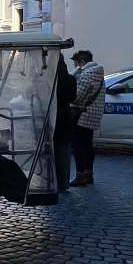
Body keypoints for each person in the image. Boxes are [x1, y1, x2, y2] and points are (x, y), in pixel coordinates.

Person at [69, 50, 105, 187]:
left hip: (82, 114)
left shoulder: (87, 74)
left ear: (82, 62)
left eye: (75, 63)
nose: (74, 66)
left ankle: (80, 175)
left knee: (78, 146)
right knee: (88, 146)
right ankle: (89, 175)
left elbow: (77, 97)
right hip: (93, 114)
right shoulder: (98, 73)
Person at [53, 56, 77, 194]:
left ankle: (51, 181)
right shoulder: (70, 79)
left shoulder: (49, 79)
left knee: (50, 152)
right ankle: (63, 183)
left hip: (50, 117)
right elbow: (73, 98)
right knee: (63, 153)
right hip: (65, 118)